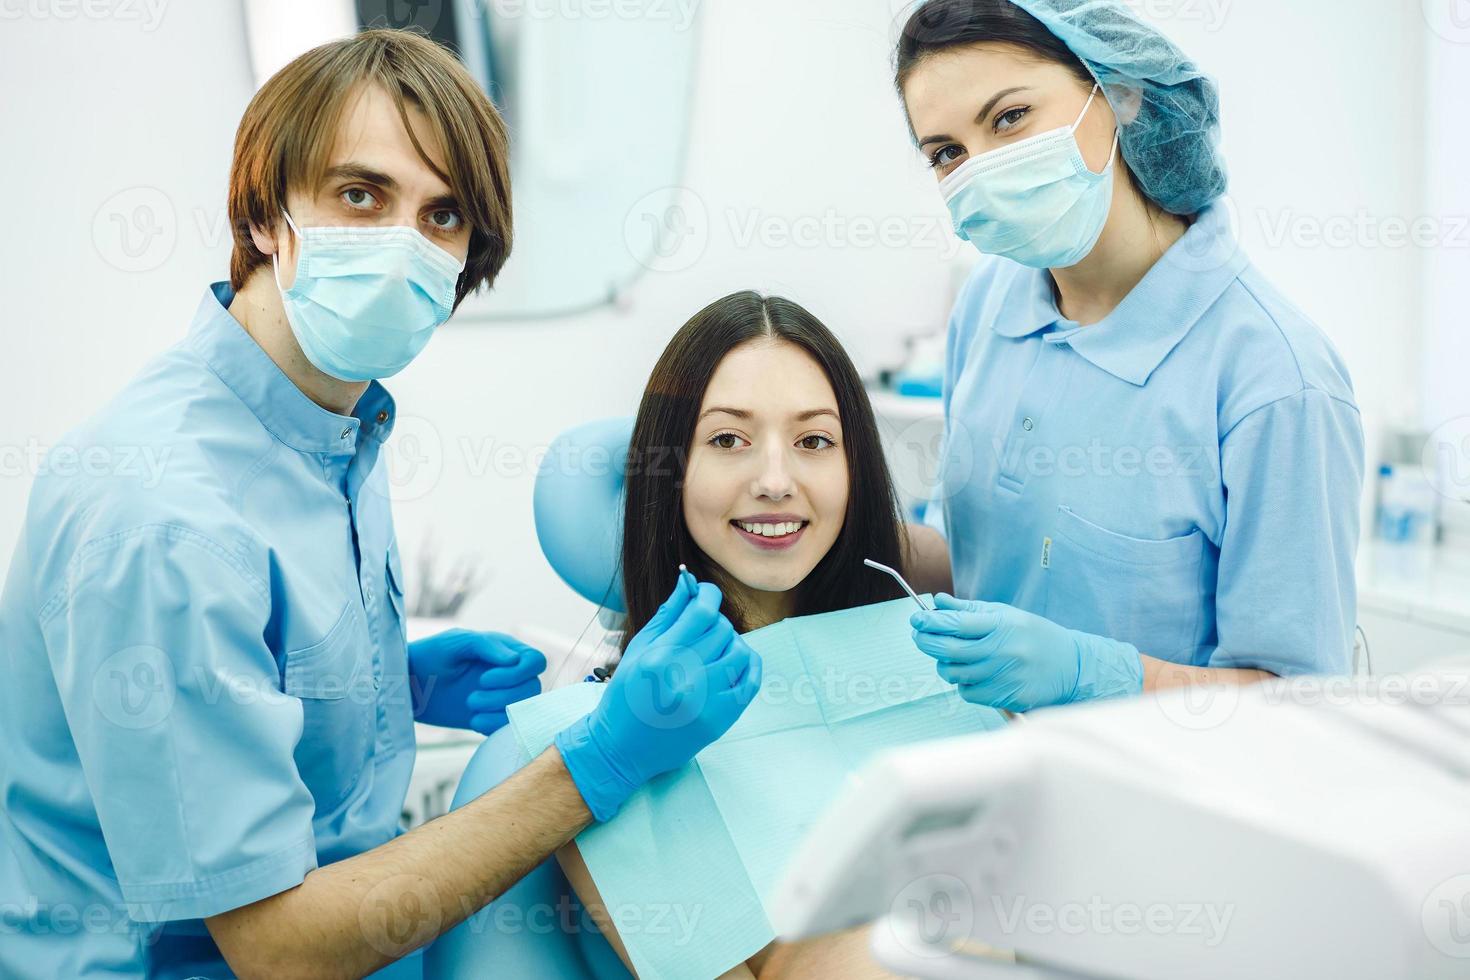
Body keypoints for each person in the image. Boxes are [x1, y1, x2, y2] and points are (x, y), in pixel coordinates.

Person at [0, 30, 758, 978]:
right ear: (268, 213)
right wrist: (599, 761)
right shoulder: (161, 512)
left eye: (442, 217)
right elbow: (277, 948)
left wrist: (384, 687)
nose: (405, 243)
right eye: (360, 196)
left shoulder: (329, 423)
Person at [435, 292, 945, 979]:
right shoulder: (607, 748)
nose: (775, 480)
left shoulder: (936, 669)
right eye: (727, 440)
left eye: (814, 441)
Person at [896, 0, 1365, 711]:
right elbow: (982, 568)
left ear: (1118, 93)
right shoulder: (988, 308)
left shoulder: (1275, 380)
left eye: (1010, 117)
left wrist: (1100, 674)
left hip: (1153, 807)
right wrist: (835, 527)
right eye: (946, 153)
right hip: (987, 783)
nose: (981, 169)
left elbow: (1299, 708)